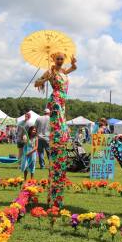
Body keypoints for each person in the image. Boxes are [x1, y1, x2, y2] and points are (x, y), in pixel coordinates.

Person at [35, 52, 77, 207]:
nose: (60, 61)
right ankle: (59, 135)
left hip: (63, 102)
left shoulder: (63, 71)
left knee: (62, 123)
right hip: (56, 101)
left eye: (62, 59)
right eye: (58, 59)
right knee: (59, 125)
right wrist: (46, 78)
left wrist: (73, 64)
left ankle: (62, 134)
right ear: (53, 59)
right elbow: (36, 83)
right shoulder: (51, 71)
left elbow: (73, 68)